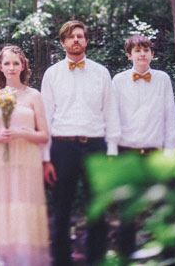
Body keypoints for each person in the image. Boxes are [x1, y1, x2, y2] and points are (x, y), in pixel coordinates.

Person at [41, 20, 121, 266]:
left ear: (86, 41)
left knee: (97, 210)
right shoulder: (52, 74)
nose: (76, 40)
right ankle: (61, 261)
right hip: (62, 147)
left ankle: (95, 260)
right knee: (61, 210)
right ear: (63, 42)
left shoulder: (101, 73)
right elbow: (45, 118)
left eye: (80, 36)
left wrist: (112, 151)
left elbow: (111, 113)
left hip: (95, 146)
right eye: (70, 37)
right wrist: (45, 158)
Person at [112, 34, 175, 257]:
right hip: (126, 154)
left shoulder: (162, 79)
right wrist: (112, 151)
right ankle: (126, 257)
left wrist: (170, 153)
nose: (142, 54)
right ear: (129, 55)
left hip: (155, 154)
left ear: (152, 54)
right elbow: (113, 119)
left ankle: (168, 258)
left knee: (163, 208)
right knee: (127, 211)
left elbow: (170, 116)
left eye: (146, 50)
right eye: (137, 50)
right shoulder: (118, 81)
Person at [0, 46, 51, 266]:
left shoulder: (34, 95)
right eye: (7, 63)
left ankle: (27, 259)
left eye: (16, 63)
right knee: (4, 205)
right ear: (0, 67)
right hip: (2, 159)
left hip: (28, 157)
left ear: (23, 66)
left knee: (26, 205)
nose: (11, 68)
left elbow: (44, 135)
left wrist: (25, 132)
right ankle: (4, 259)